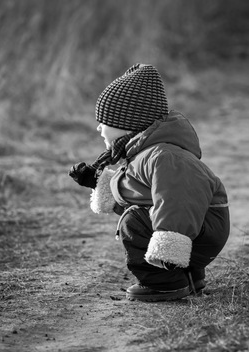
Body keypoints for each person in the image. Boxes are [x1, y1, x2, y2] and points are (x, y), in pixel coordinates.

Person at [69, 64, 230, 302]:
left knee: (134, 222)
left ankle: (166, 284)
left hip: (202, 227)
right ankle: (189, 278)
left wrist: (168, 250)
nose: (99, 127)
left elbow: (179, 201)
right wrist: (98, 182)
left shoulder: (164, 156)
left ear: (127, 123)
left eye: (105, 121)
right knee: (140, 214)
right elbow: (137, 193)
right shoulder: (145, 153)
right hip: (196, 225)